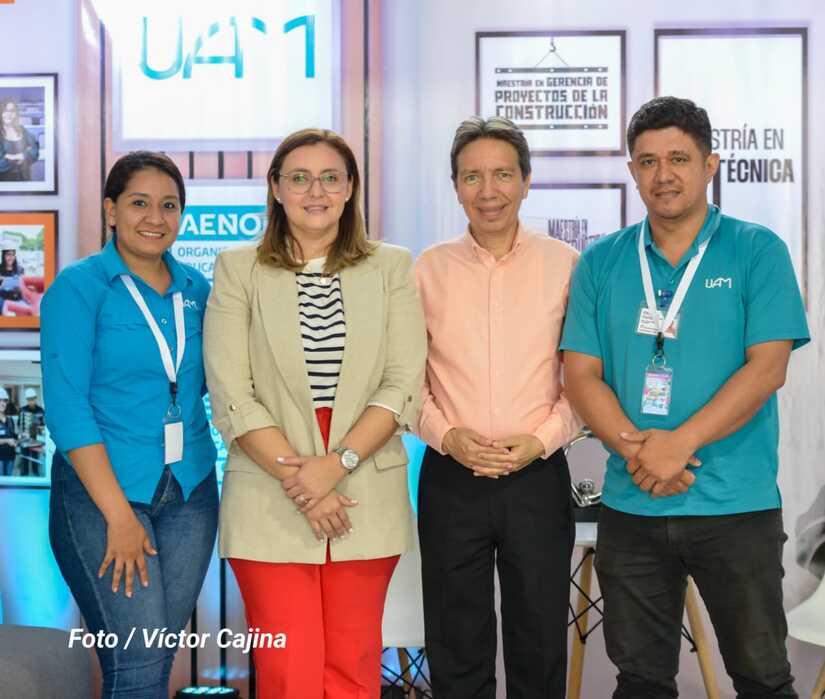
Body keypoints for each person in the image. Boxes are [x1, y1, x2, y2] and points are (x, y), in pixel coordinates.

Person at [561, 96, 808, 698]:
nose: (662, 175)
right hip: (632, 506)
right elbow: (581, 375)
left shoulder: (756, 249)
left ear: (710, 164)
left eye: (678, 159)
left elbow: (768, 368)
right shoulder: (601, 261)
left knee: (763, 679)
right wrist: (642, 454)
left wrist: (681, 444)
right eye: (647, 162)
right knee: (641, 682)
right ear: (632, 171)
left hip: (735, 506)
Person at [203, 128, 426, 699]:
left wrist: (337, 463)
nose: (316, 191)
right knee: (289, 673)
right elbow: (232, 392)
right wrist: (306, 482)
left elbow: (403, 383)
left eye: (331, 177)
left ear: (350, 188)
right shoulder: (238, 269)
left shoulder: (391, 267)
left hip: (364, 486)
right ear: (276, 189)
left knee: (353, 669)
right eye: (299, 178)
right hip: (269, 488)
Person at [414, 116, 581, 698]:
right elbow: (406, 382)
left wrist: (541, 440)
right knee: (455, 642)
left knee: (540, 641)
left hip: (537, 475)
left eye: (503, 175)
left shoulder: (566, 265)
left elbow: (584, 381)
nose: (488, 191)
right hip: (450, 476)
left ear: (527, 181)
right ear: (456, 186)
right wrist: (446, 436)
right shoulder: (425, 270)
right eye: (472, 177)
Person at [41, 151, 219, 698]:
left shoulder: (198, 290)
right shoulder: (79, 288)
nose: (155, 218)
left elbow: (208, 382)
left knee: (154, 657)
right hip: (104, 496)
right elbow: (67, 409)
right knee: (137, 660)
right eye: (140, 203)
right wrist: (118, 516)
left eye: (170, 205)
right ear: (111, 209)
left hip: (190, 491)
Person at [0, 98, 39, 181]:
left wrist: (13, 156)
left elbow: (35, 151)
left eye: (12, 111)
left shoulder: (22, 130)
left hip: (24, 176)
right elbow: (1, 164)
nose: (9, 114)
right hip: (4, 179)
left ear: (16, 113)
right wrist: (25, 155)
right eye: (5, 110)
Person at [19, 387, 45, 476]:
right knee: (24, 460)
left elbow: (43, 426)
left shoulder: (40, 410)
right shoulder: (23, 410)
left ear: (35, 398)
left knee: (35, 460)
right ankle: (24, 474)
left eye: (32, 399)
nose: (31, 401)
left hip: (36, 441)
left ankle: (35, 473)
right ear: (27, 399)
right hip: (25, 440)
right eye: (29, 399)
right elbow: (19, 424)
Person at [0, 387, 17, 476]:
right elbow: (8, 439)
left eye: (4, 401)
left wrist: (20, 437)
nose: (2, 403)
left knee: (9, 481)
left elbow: (13, 435)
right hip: (0, 458)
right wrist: (7, 441)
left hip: (11, 457)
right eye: (0, 401)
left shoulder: (10, 420)